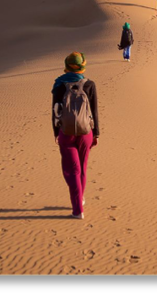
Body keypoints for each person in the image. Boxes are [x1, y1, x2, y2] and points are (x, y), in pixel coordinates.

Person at [52, 52, 99, 219]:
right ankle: (81, 199)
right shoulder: (89, 84)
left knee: (72, 171)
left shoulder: (59, 85)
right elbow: (94, 110)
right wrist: (97, 134)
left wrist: (56, 133)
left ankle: (78, 209)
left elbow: (55, 110)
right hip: (86, 132)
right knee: (82, 168)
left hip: (66, 133)